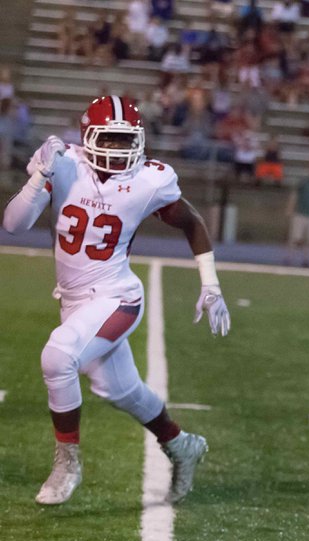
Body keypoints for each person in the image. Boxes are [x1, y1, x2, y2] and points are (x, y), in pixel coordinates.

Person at [2, 96, 230, 505]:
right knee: (121, 390)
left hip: (117, 297)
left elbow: (191, 221)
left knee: (57, 357)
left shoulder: (148, 179)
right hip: (74, 300)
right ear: (88, 136)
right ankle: (181, 444)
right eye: (109, 139)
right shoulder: (65, 162)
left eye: (126, 142)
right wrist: (40, 176)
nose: (118, 150)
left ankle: (66, 462)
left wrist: (210, 284)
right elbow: (14, 225)